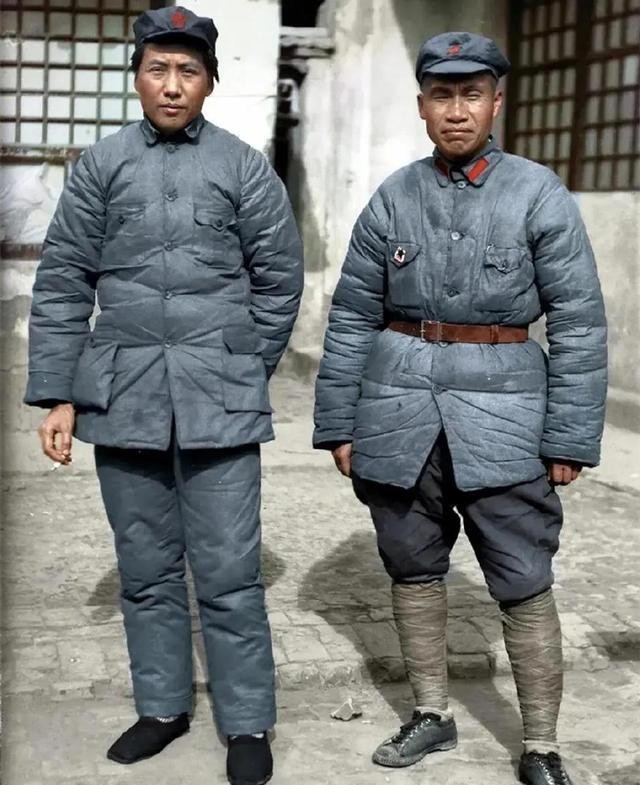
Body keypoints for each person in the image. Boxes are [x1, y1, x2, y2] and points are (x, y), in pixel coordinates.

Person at [313, 31, 606, 785]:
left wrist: (569, 434)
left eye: (471, 93)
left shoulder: (538, 193)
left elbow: (578, 321)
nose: (456, 109)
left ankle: (540, 744)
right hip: (398, 414)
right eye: (441, 94)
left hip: (507, 421)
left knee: (523, 574)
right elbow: (351, 317)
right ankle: (431, 714)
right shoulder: (393, 197)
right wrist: (339, 422)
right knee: (411, 564)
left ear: (496, 102)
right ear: (421, 106)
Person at [24, 7, 303, 785]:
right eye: (158, 69)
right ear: (137, 77)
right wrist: (59, 395)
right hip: (123, 397)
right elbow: (64, 281)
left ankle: (246, 720)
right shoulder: (100, 166)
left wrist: (241, 365)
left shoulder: (244, 167)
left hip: (221, 405)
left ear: (209, 81)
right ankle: (162, 707)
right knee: (145, 568)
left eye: (188, 70)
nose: (172, 85)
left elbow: (280, 280)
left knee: (230, 572)